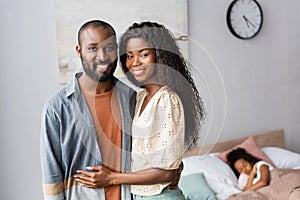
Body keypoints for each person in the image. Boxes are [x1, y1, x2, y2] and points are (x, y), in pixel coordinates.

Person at [40, 20, 182, 200]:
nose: (102, 56)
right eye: (92, 48)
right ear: (79, 51)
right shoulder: (57, 107)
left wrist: (173, 170)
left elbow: (150, 152)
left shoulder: (132, 98)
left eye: (109, 48)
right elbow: (51, 171)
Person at [75, 22, 205, 199]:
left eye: (143, 54)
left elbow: (167, 173)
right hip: (138, 195)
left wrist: (111, 178)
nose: (135, 62)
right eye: (129, 56)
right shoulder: (140, 97)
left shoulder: (166, 99)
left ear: (160, 55)